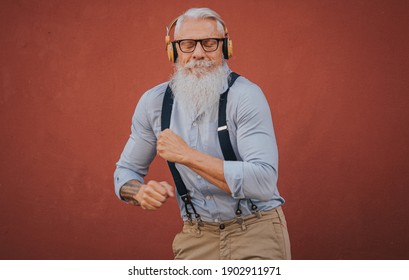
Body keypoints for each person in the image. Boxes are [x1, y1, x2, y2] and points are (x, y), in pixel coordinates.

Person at [114, 7, 291, 260]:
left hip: (255, 231)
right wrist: (137, 192)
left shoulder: (246, 97)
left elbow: (263, 183)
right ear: (173, 50)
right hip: (195, 238)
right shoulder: (153, 103)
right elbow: (125, 173)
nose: (198, 53)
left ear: (225, 48)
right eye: (187, 44)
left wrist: (187, 155)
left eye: (209, 43)